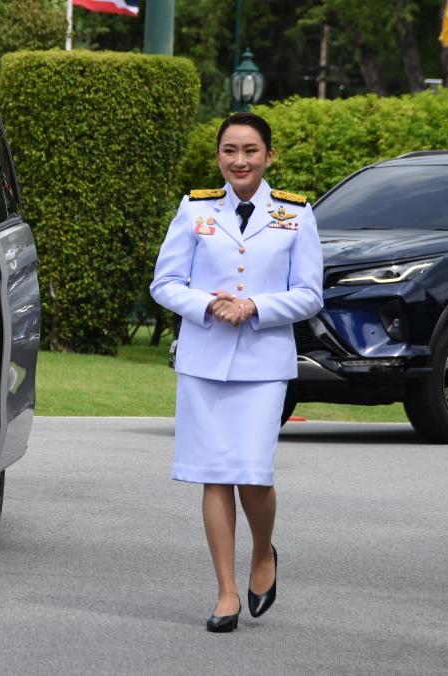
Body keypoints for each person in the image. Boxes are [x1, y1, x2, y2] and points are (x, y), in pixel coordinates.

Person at [150, 112, 323, 632]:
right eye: (230, 150)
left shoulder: (296, 214)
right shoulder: (195, 208)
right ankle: (226, 593)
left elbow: (310, 294)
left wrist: (254, 307)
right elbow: (165, 282)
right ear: (219, 156)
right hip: (204, 360)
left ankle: (263, 551)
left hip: (263, 364)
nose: (239, 160)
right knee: (214, 473)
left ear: (269, 156)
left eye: (250, 151)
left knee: (253, 472)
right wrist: (208, 304)